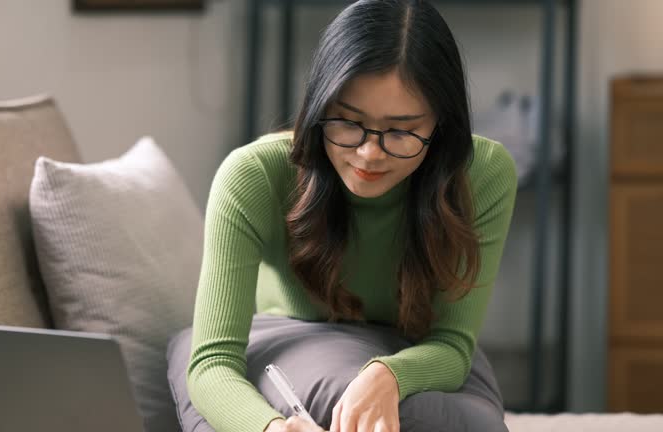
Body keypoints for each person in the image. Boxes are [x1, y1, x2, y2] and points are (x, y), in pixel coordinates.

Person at [167, 0, 517, 431]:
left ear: (441, 126)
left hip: (418, 349)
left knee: (459, 421)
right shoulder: (254, 175)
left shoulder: (481, 173)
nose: (369, 153)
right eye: (347, 122)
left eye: (402, 131)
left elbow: (452, 345)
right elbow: (213, 362)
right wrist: (273, 429)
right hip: (288, 335)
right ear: (320, 106)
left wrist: (387, 375)